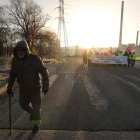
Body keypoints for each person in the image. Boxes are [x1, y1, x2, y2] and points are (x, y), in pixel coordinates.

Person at [7, 40, 49, 133]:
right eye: (18, 51)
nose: (19, 53)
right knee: (23, 104)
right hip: (23, 89)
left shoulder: (35, 59)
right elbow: (12, 74)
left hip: (35, 88)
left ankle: (37, 124)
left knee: (36, 107)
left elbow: (44, 71)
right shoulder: (15, 60)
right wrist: (9, 86)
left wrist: (46, 86)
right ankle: (34, 114)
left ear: (26, 50)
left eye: (21, 50)